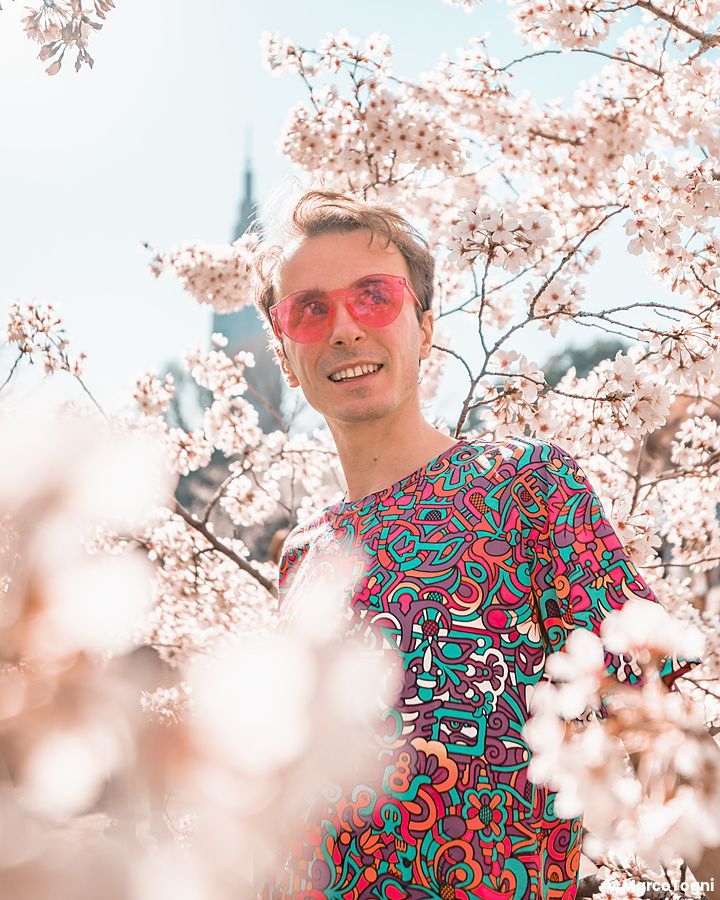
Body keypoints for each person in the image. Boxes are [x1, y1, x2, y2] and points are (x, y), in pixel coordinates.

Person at [251, 189, 706, 899]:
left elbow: (650, 699)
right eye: (308, 310)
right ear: (283, 351)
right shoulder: (303, 556)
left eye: (374, 296)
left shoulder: (526, 483)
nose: (342, 328)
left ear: (424, 325)